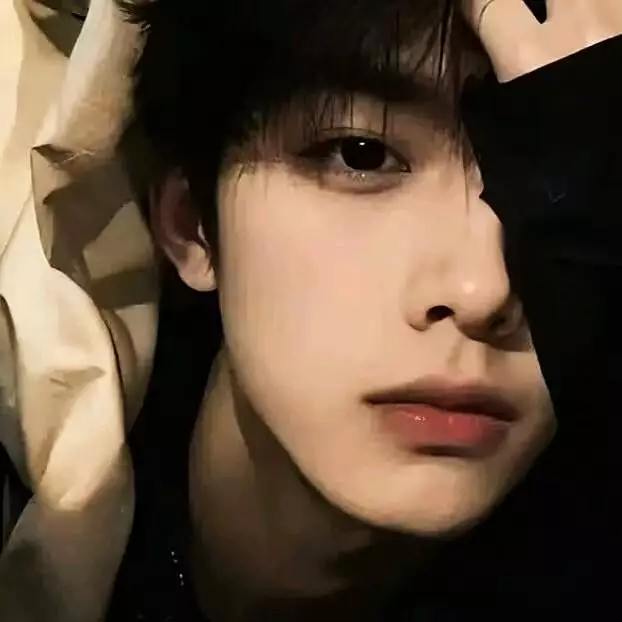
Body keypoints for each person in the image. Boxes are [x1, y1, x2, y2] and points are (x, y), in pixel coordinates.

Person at [106, 0, 622, 620]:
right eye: (361, 154)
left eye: (578, 182)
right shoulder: (34, 465)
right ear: (192, 224)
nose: (480, 290)